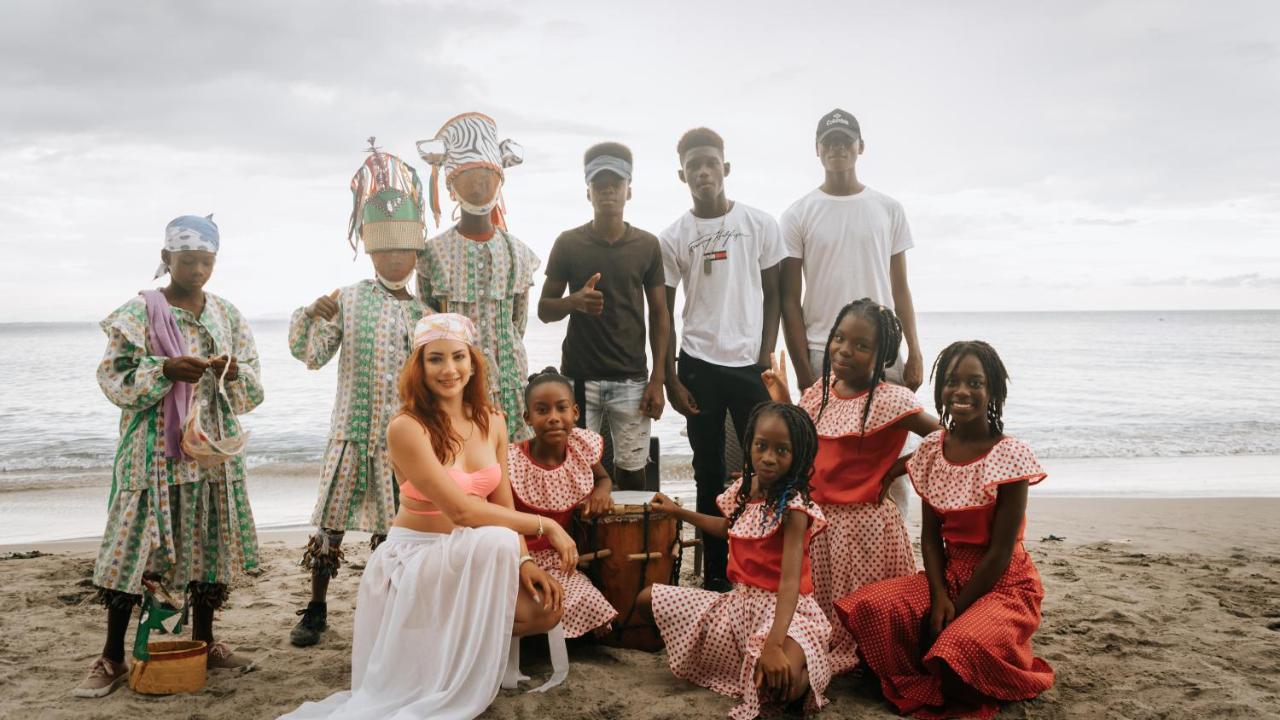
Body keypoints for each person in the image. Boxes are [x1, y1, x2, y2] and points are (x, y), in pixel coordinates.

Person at [279, 314, 578, 720]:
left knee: (544, 609)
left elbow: (502, 506)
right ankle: (432, 671)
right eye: (435, 359)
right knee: (497, 538)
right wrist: (546, 525)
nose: (448, 369)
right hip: (416, 558)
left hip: (473, 552)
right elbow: (461, 510)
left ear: (473, 362)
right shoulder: (407, 427)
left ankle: (447, 659)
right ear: (419, 366)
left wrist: (524, 560)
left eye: (458, 357)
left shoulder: (493, 420)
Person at [75, 215, 262, 698]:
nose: (198, 270)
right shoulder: (138, 313)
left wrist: (232, 374)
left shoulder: (227, 315)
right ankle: (112, 656)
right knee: (134, 551)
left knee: (208, 546)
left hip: (210, 450)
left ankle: (205, 642)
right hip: (153, 451)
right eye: (188, 260)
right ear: (166, 260)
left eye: (206, 261)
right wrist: (166, 370)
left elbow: (254, 386)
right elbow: (113, 380)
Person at [835, 341, 1055, 718]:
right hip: (947, 575)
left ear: (993, 391)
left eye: (975, 382)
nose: (962, 391)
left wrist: (958, 609)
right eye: (952, 381)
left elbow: (1000, 552)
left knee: (958, 644)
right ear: (940, 389)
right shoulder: (934, 450)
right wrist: (939, 596)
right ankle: (925, 667)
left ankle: (992, 663)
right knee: (871, 606)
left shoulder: (1009, 455)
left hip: (1004, 583)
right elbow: (931, 537)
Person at [286, 144, 432, 647]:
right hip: (351, 433)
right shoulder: (348, 299)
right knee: (330, 526)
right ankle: (316, 607)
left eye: (404, 250)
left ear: (417, 254)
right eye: (385, 250)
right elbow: (313, 355)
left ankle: (387, 611)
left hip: (403, 441)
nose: (395, 258)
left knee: (392, 531)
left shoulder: (425, 314)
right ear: (371, 253)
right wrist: (312, 314)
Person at [761, 299, 939, 673]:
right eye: (839, 338)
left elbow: (945, 438)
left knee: (861, 628)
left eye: (861, 345)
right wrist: (781, 397)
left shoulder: (891, 399)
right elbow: (802, 442)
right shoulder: (821, 391)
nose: (845, 349)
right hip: (818, 524)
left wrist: (898, 469)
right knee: (823, 620)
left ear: (883, 355)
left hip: (866, 531)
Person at [635, 402, 831, 720]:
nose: (768, 457)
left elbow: (790, 582)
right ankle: (746, 663)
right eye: (761, 446)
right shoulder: (743, 489)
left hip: (784, 615)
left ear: (799, 456)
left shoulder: (795, 508)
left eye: (782, 450)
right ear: (749, 443)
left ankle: (805, 674)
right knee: (648, 600)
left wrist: (774, 644)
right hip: (737, 608)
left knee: (775, 687)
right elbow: (728, 529)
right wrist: (678, 511)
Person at [779, 109, 925, 513]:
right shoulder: (797, 213)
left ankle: (893, 545)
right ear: (817, 150)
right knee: (824, 462)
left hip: (885, 354)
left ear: (860, 147)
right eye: (830, 142)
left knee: (887, 456)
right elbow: (789, 300)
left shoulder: (888, 208)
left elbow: (900, 287)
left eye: (846, 141)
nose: (838, 148)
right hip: (823, 351)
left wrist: (914, 350)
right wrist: (805, 374)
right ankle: (825, 553)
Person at [660, 127, 785, 590]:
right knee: (707, 468)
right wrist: (672, 376)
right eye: (694, 166)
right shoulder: (673, 236)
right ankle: (715, 573)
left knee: (763, 467)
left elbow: (775, 293)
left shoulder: (760, 224)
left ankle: (760, 563)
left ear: (725, 168)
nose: (704, 172)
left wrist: (765, 350)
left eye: (711, 163)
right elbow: (665, 312)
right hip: (698, 364)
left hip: (749, 364)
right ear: (682, 174)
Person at [538, 142, 670, 490]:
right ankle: (581, 545)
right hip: (580, 378)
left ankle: (630, 542)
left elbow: (660, 313)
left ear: (629, 190)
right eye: (599, 183)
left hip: (631, 378)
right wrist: (574, 302)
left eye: (616, 183)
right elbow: (544, 309)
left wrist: (658, 379)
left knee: (632, 469)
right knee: (576, 468)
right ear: (588, 192)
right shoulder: (568, 243)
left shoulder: (647, 245)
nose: (607, 189)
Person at [416, 112, 539, 442]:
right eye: (469, 176)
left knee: (512, 464)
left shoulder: (518, 252)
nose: (480, 184)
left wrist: (507, 355)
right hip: (455, 381)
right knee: (462, 463)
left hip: (511, 379)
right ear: (451, 185)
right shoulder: (432, 253)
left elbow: (518, 321)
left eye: (487, 175)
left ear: (501, 179)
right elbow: (426, 320)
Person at [508, 368, 618, 638]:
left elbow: (604, 478)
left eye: (562, 408)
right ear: (528, 418)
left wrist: (601, 492)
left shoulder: (580, 448)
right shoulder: (513, 461)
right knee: (541, 603)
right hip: (518, 558)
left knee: (595, 610)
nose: (554, 418)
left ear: (576, 413)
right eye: (542, 410)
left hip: (559, 561)